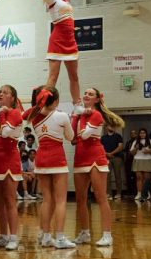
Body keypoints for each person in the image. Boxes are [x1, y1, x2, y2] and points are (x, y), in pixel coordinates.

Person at [24, 85, 75, 249]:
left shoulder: (35, 117)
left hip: (41, 160)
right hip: (57, 159)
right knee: (60, 201)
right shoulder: (62, 116)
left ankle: (46, 236)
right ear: (57, 101)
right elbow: (71, 137)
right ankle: (60, 238)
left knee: (47, 200)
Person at [71, 88, 122, 248]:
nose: (86, 95)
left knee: (101, 197)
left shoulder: (96, 115)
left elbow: (85, 135)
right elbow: (73, 138)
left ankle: (107, 235)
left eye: (90, 94)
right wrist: (75, 115)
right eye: (85, 93)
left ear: (97, 100)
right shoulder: (80, 115)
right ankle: (85, 233)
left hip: (95, 157)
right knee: (80, 199)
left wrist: (83, 114)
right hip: (80, 157)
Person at [0, 84, 24, 251]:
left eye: (5, 92)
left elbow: (5, 133)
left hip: (9, 160)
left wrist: (1, 113)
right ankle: (3, 235)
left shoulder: (14, 113)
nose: (1, 94)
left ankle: (14, 237)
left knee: (10, 199)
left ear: (12, 98)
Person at [129, 128, 151, 202]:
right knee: (139, 177)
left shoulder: (150, 141)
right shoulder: (135, 141)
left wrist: (148, 151)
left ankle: (146, 193)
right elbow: (132, 153)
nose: (142, 134)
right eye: (141, 133)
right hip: (138, 160)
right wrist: (136, 148)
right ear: (139, 134)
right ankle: (139, 193)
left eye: (144, 133)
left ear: (146, 134)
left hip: (148, 160)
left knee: (147, 179)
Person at [101, 124, 125, 200]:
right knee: (107, 176)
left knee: (118, 175)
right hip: (106, 158)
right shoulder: (103, 138)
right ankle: (109, 194)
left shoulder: (118, 136)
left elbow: (120, 147)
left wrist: (112, 153)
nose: (111, 127)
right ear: (107, 127)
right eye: (110, 126)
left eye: (113, 126)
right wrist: (107, 154)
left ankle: (118, 193)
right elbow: (100, 148)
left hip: (117, 157)